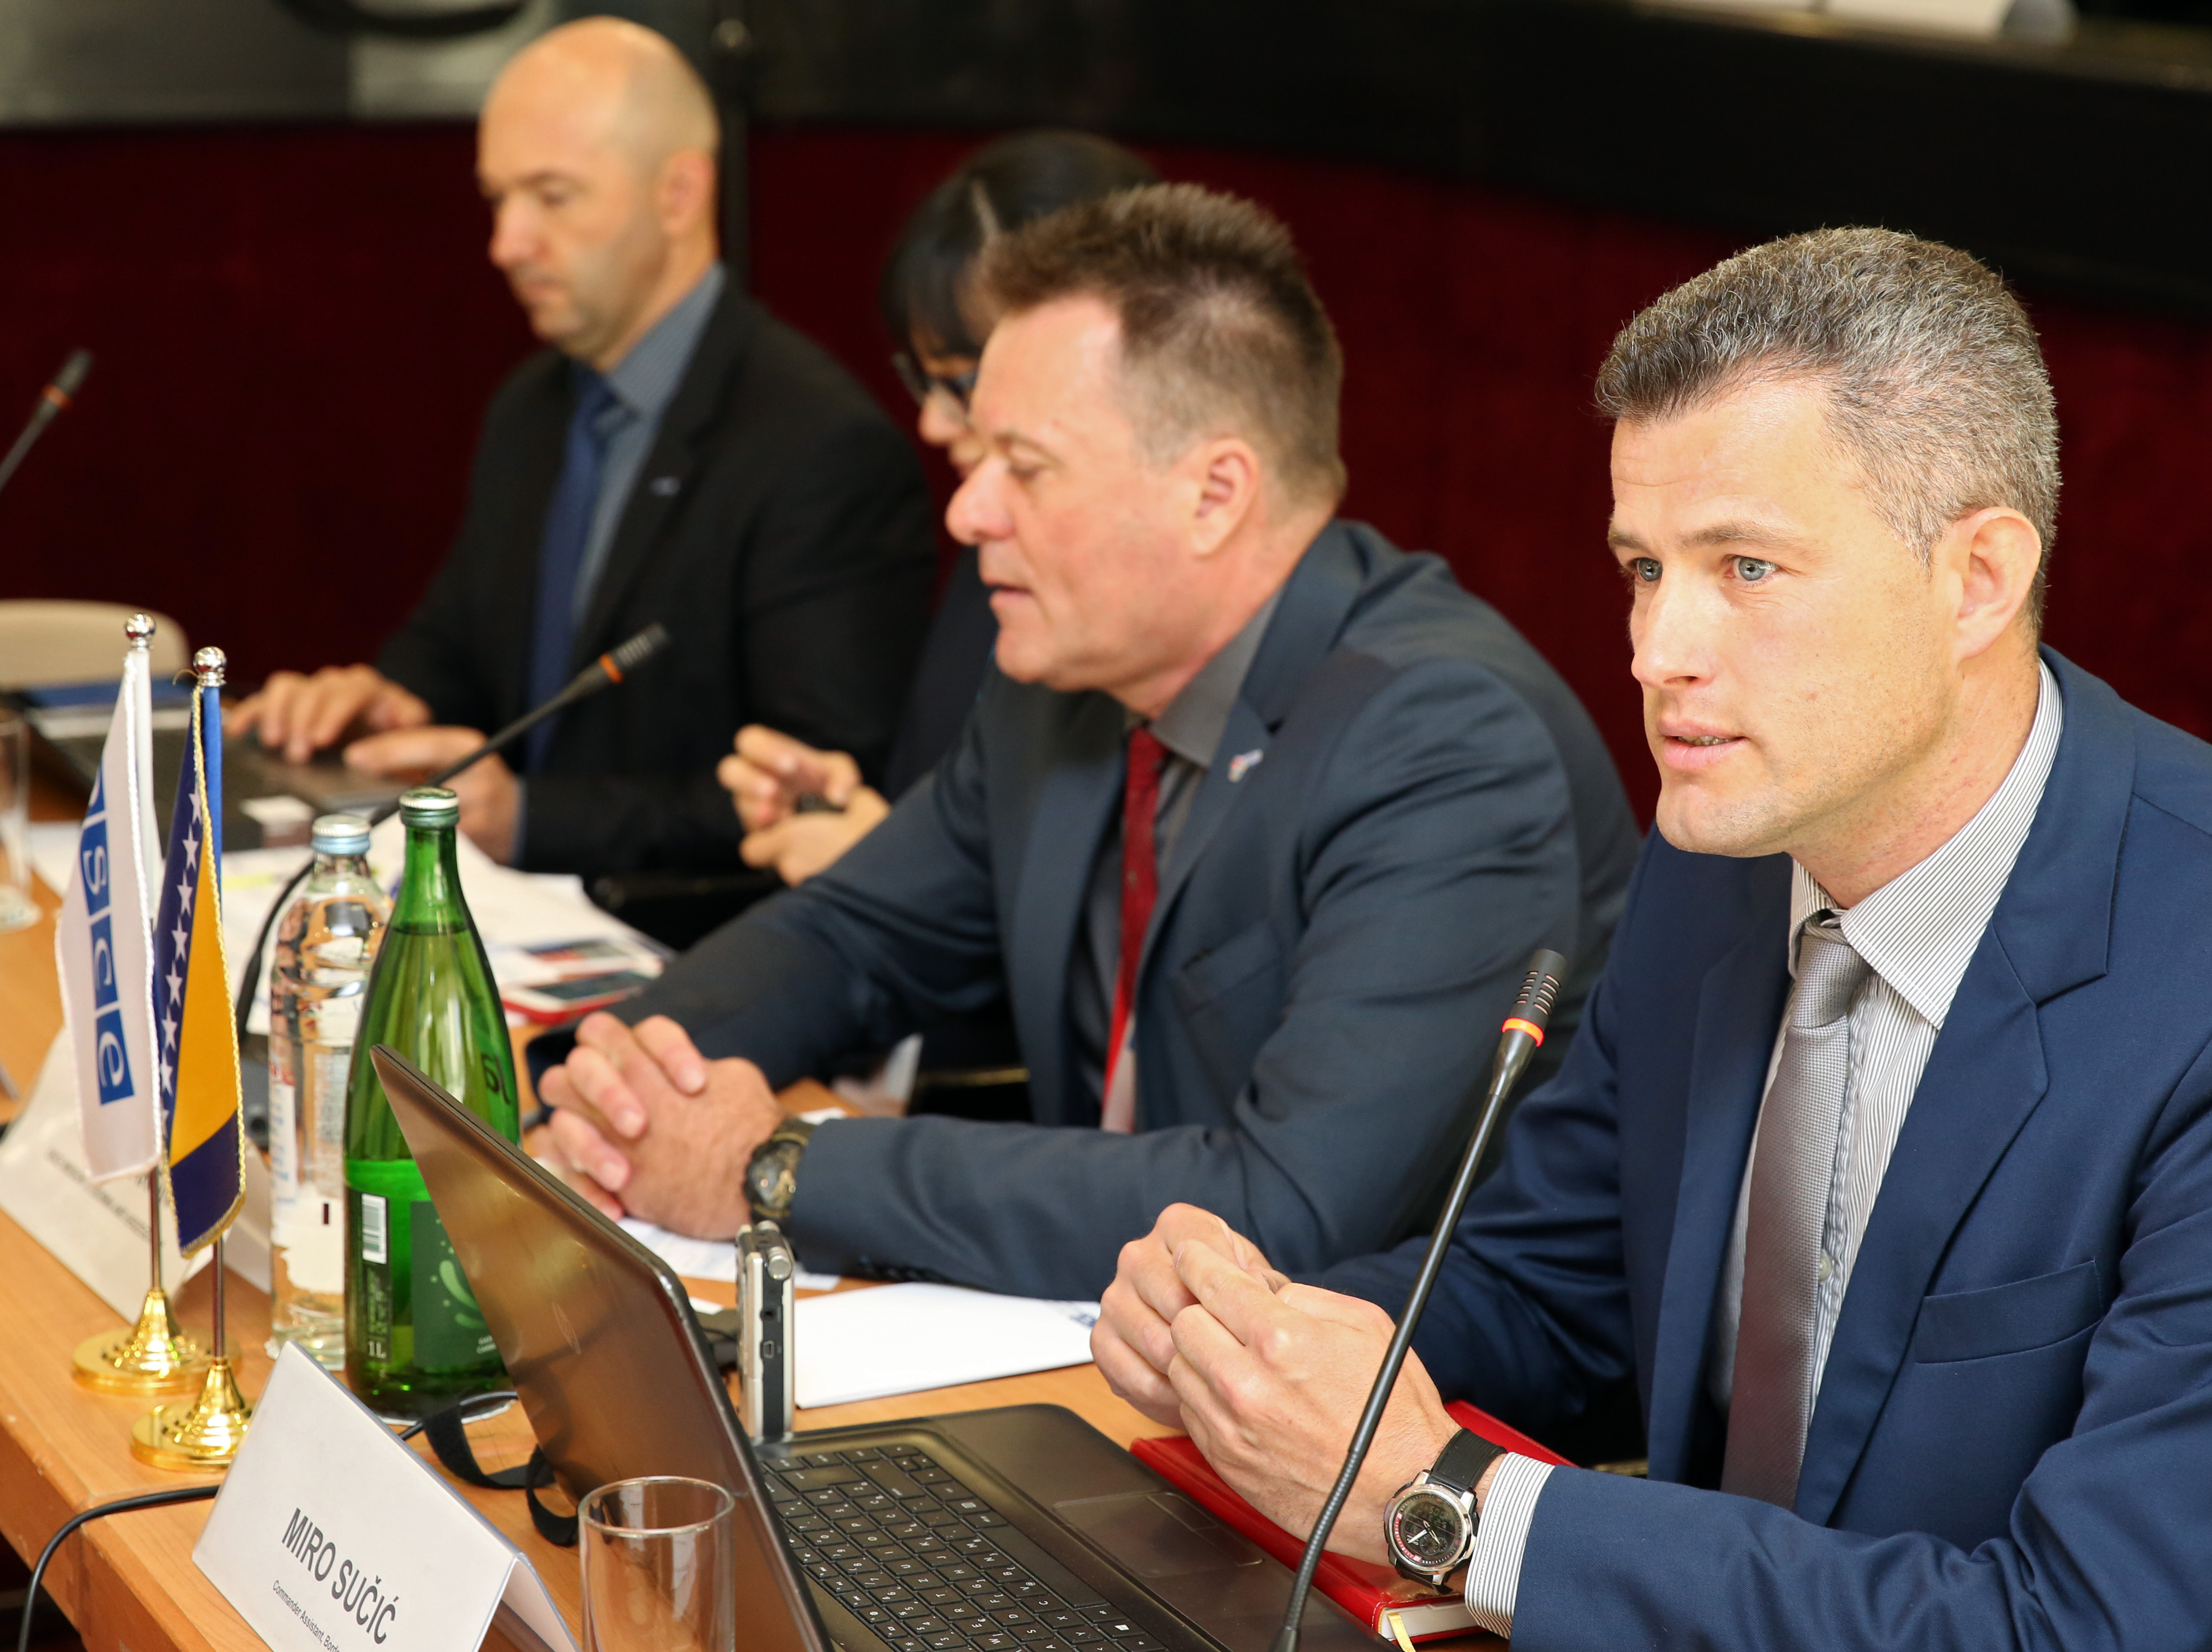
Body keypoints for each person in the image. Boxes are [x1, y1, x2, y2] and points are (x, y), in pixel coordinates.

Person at [1092, 229, 2212, 1652]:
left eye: (1747, 566)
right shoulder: (1723, 865)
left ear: (1978, 578)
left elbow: (2079, 1645)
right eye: (1645, 567)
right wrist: (1253, 1344)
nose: (1657, 650)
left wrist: (1448, 1503)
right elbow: (1549, 1295)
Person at [530, 184, 1639, 1300]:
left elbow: (1282, 1209)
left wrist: (776, 1171)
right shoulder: (1058, 685)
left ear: (1214, 494)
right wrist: (601, 1083)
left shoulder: (1447, 744)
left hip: (1374, 1374)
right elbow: (851, 937)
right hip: (1102, 1327)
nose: (967, 511)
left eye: (1025, 465)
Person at [226, 17, 933, 877]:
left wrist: (531, 821)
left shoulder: (821, 448)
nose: (506, 245)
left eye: (553, 197)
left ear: (679, 195)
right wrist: (381, 705)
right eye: (498, 199)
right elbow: (457, 644)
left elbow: (821, 799)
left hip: (684, 934)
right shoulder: (531, 405)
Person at [724, 130, 1161, 889]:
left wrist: (881, 866)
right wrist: (855, 816)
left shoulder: (1152, 593)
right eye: (923, 379)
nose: (931, 424)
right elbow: (958, 817)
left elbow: (1103, 928)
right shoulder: (989, 545)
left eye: (963, 383)